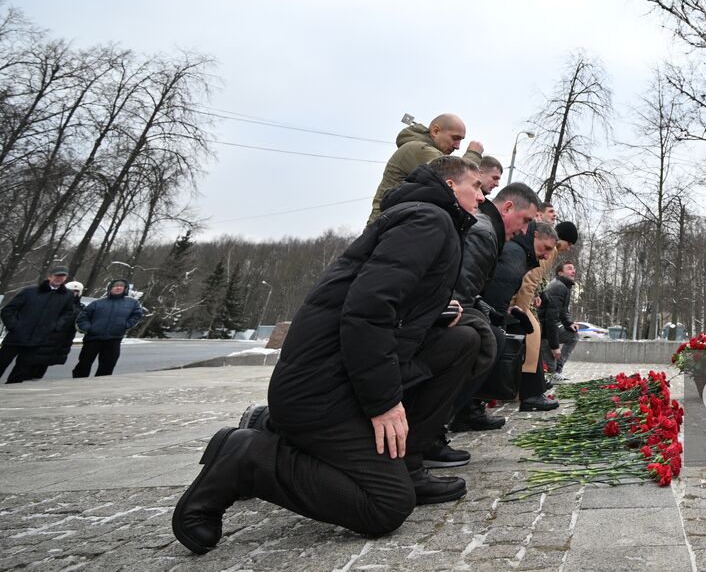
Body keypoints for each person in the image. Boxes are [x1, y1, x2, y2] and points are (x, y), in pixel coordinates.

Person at [171, 156, 492, 554]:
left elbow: (382, 303)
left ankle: (285, 429)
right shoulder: (429, 220)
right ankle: (247, 457)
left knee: (459, 342)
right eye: (475, 186)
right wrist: (384, 403)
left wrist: (432, 317)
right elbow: (367, 309)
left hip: (335, 376)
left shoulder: (427, 219)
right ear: (449, 184)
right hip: (322, 388)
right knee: (386, 505)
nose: (482, 195)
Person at [443, 182, 543, 435]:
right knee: (491, 339)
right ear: (508, 207)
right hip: (442, 319)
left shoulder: (491, 233)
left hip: (450, 310)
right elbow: (461, 291)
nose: (524, 231)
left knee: (492, 334)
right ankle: (432, 431)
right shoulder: (486, 233)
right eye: (525, 221)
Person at [478, 221, 561, 412]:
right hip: (512, 305)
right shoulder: (518, 252)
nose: (548, 254)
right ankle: (527, 393)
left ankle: (522, 392)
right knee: (529, 336)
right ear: (535, 235)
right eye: (546, 248)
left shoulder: (523, 250)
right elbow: (528, 282)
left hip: (511, 305)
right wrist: (519, 311)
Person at [367, 113, 484, 224]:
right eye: (455, 138)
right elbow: (459, 177)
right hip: (387, 227)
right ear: (435, 131)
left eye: (460, 140)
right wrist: (474, 154)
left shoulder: (422, 149)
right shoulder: (418, 149)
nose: (457, 146)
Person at [0, 265, 79, 385]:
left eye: (63, 276)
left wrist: (55, 326)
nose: (59, 278)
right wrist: (14, 326)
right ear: (50, 276)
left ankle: (9, 392)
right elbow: (8, 310)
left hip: (38, 340)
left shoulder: (67, 296)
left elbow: (67, 313)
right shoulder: (30, 291)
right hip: (16, 337)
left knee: (21, 371)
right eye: (57, 275)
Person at [73, 279, 145, 378]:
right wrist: (89, 328)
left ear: (125, 289)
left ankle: (99, 387)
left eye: (121, 286)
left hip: (113, 339)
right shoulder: (98, 303)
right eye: (115, 285)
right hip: (92, 339)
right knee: (84, 364)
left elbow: (137, 315)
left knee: (107, 366)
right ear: (110, 288)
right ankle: (77, 384)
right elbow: (83, 317)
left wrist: (126, 325)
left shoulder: (132, 303)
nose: (118, 287)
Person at [541, 256, 579, 378]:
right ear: (560, 272)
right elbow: (550, 318)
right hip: (544, 332)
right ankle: (554, 370)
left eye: (574, 269)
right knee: (549, 372)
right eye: (569, 269)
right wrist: (555, 347)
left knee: (573, 335)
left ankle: (557, 368)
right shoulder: (558, 287)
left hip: (550, 329)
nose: (573, 271)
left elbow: (562, 311)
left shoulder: (564, 286)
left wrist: (569, 323)